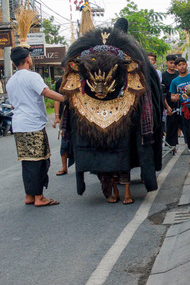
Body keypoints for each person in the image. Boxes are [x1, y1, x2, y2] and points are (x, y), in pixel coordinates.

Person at [60, 26, 162, 205]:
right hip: (92, 115)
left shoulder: (135, 62)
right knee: (106, 157)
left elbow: (147, 89)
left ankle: (126, 190)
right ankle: (112, 189)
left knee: (125, 153)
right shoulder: (85, 64)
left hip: (125, 114)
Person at [6, 45, 65, 207]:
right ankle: (39, 197)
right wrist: (66, 98)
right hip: (32, 124)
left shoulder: (10, 82)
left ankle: (29, 195)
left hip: (18, 125)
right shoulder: (32, 77)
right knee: (39, 161)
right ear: (27, 59)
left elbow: (13, 105)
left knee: (27, 161)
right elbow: (46, 92)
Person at [52, 62, 71, 176]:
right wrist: (57, 117)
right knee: (64, 140)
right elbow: (56, 99)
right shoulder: (60, 82)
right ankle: (64, 166)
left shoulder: (79, 79)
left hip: (78, 114)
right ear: (63, 68)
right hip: (65, 115)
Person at [162, 54, 181, 152]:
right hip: (170, 105)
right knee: (171, 128)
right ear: (167, 63)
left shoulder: (179, 75)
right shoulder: (163, 76)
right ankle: (171, 147)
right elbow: (163, 93)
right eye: (171, 63)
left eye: (174, 63)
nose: (173, 65)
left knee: (186, 125)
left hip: (181, 104)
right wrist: (167, 106)